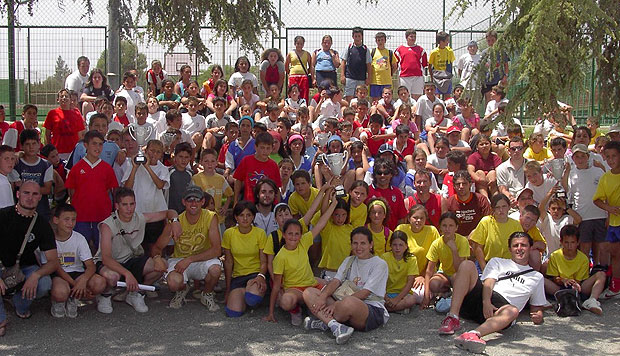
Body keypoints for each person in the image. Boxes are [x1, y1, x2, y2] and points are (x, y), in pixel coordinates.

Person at [439, 232, 545, 354]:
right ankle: (453, 317)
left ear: (530, 248)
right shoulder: (498, 262)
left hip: (503, 308)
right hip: (485, 296)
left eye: (523, 245)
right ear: (510, 249)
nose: (519, 249)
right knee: (467, 264)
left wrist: (539, 314)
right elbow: (489, 282)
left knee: (513, 311)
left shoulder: (537, 277)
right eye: (516, 246)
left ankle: (472, 335)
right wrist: (486, 302)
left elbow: (536, 306)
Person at [94, 187, 181, 314]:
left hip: (130, 259)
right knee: (113, 276)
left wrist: (175, 221)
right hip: (110, 263)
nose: (129, 208)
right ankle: (105, 295)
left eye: (132, 204)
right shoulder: (107, 225)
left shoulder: (140, 218)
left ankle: (136, 293)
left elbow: (170, 212)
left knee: (160, 265)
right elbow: (106, 258)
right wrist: (127, 274)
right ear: (117, 206)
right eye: (125, 205)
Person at [303, 227, 389, 345]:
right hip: (342, 302)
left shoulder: (379, 264)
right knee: (309, 293)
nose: (358, 247)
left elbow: (365, 293)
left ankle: (324, 322)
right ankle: (335, 326)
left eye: (363, 243)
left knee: (348, 303)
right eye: (355, 243)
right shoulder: (349, 260)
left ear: (371, 244)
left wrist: (337, 304)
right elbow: (336, 281)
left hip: (369, 308)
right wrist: (323, 297)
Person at [263, 194, 337, 325]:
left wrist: (334, 204)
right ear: (284, 235)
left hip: (311, 284)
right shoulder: (280, 255)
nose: (293, 237)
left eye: (297, 234)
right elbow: (276, 286)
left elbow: (320, 224)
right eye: (290, 234)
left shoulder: (303, 241)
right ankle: (298, 310)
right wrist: (270, 313)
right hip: (294, 289)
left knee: (334, 293)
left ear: (301, 235)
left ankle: (315, 310)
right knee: (285, 301)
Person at [152, 185, 222, 310]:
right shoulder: (176, 222)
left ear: (202, 201)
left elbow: (217, 250)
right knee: (173, 283)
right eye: (190, 199)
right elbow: (157, 247)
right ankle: (182, 289)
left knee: (216, 269)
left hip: (201, 259)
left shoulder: (210, 217)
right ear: (184, 202)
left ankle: (206, 293)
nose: (193, 203)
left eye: (197, 199)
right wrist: (157, 258)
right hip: (180, 259)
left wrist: (189, 260)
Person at [0, 181, 59, 329]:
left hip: (22, 269)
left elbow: (53, 261)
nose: (30, 197)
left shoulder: (42, 224)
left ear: (40, 197)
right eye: (26, 193)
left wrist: (35, 276)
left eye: (35, 194)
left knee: (45, 282)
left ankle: (19, 304)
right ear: (18, 194)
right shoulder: (3, 216)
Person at [65, 130, 119, 252]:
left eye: (100, 144)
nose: (98, 147)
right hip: (81, 216)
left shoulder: (107, 168)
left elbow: (111, 191)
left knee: (102, 249)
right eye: (94, 144)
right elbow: (71, 192)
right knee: (81, 248)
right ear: (86, 145)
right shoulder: (76, 168)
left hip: (102, 216)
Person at [50, 204, 106, 318]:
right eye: (66, 219)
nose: (70, 223)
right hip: (59, 274)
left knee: (99, 283)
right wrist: (75, 284)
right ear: (56, 220)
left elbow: (90, 265)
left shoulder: (79, 238)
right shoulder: (49, 239)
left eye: (73, 220)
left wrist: (83, 281)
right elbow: (55, 267)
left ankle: (73, 297)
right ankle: (58, 300)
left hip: (77, 272)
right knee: (60, 292)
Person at [544, 224, 606, 314]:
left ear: (578, 242)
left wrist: (574, 284)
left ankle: (591, 301)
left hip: (579, 287)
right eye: (566, 242)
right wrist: (563, 280)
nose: (569, 246)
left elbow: (580, 280)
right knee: (539, 278)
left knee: (601, 274)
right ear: (561, 241)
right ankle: (541, 300)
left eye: (572, 242)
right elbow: (554, 278)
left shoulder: (583, 258)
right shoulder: (555, 256)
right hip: (559, 287)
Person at [222, 200, 268, 317]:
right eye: (241, 215)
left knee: (252, 298)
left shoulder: (260, 233)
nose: (245, 219)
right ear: (236, 217)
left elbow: (264, 261)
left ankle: (252, 295)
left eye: (248, 215)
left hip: (255, 274)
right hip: (238, 277)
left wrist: (261, 276)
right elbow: (228, 262)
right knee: (233, 312)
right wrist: (228, 289)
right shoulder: (229, 234)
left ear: (253, 217)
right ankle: (243, 294)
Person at [563, 144, 606, 265]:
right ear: (573, 158)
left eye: (583, 156)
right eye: (577, 157)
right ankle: (584, 272)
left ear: (588, 156)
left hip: (600, 215)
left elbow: (606, 192)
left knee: (600, 247)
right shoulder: (572, 173)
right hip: (583, 216)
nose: (580, 159)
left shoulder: (598, 171)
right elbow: (567, 190)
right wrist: (566, 172)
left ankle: (599, 270)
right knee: (584, 248)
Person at [422, 212, 470, 308]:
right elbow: (429, 270)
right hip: (444, 273)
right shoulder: (437, 243)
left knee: (458, 279)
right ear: (440, 227)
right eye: (444, 226)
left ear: (456, 227)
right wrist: (426, 296)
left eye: (451, 226)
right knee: (434, 283)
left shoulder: (462, 241)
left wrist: (454, 250)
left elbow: (459, 269)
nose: (447, 229)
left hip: (458, 273)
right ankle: (446, 292)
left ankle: (455, 298)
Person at [593, 141, 620, 298]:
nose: (610, 160)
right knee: (615, 254)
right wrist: (609, 209)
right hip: (615, 223)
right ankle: (615, 286)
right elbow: (597, 200)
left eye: (614, 156)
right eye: (607, 157)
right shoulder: (606, 178)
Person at [470, 194, 523, 270]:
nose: (501, 210)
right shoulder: (485, 222)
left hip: (510, 264)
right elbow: (478, 247)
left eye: (504, 206)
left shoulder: (516, 224)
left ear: (509, 207)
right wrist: (484, 268)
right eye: (497, 207)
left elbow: (521, 247)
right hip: (488, 264)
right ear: (492, 209)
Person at [14, 129, 53, 220]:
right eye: (27, 144)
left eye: (34, 143)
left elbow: (47, 189)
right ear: (21, 146)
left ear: (39, 144)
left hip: (41, 211)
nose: (31, 147)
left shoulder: (46, 165)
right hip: (20, 211)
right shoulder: (16, 164)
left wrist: (25, 189)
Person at [233, 132, 281, 204]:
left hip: (267, 204)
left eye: (268, 148)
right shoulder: (247, 161)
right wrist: (235, 200)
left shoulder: (273, 165)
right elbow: (238, 180)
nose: (265, 151)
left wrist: (277, 205)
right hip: (249, 203)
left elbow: (277, 187)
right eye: (262, 147)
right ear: (256, 147)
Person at [381, 231, 421, 313]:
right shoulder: (384, 257)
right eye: (394, 245)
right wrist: (386, 297)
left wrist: (396, 299)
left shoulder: (411, 259)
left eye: (401, 245)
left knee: (412, 300)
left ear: (406, 246)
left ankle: (388, 309)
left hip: (403, 294)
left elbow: (410, 282)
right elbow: (380, 280)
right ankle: (398, 308)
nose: (397, 248)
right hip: (386, 293)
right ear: (390, 245)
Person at [445, 170, 492, 236]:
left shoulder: (481, 200)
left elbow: (488, 221)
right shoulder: (449, 202)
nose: (461, 187)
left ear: (470, 184)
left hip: (478, 238)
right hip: (457, 240)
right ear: (454, 186)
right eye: (458, 184)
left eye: (464, 183)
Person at [44, 89, 86, 160]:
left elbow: (80, 134)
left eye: (66, 96)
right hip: (58, 152)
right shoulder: (52, 113)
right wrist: (49, 150)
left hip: (73, 151)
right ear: (58, 100)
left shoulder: (77, 114)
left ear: (70, 99)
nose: (64, 98)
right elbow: (47, 134)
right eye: (61, 96)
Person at [395, 29, 428, 100]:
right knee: (404, 97)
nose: (413, 38)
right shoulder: (399, 50)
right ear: (406, 37)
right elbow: (395, 64)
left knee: (417, 98)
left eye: (414, 37)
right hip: (404, 77)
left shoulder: (421, 50)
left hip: (418, 77)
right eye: (411, 36)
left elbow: (424, 64)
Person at [341, 27, 371, 102]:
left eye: (359, 36)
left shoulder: (365, 49)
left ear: (362, 37)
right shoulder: (348, 48)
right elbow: (343, 62)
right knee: (349, 98)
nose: (357, 38)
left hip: (361, 78)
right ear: (352, 36)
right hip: (350, 77)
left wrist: (369, 77)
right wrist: (342, 75)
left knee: (361, 98)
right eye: (355, 36)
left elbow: (368, 64)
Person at [496, 137, 528, 207]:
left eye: (519, 148)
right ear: (509, 151)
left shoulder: (531, 165)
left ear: (524, 149)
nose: (516, 151)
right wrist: (511, 198)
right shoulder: (501, 168)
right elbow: (502, 189)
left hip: (529, 201)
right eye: (513, 149)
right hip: (511, 203)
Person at [481, 30, 510, 103]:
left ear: (496, 40)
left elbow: (506, 65)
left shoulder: (501, 52)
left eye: (492, 40)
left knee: (499, 99)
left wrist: (505, 77)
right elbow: (481, 66)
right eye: (488, 41)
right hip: (487, 81)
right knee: (489, 100)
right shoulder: (484, 53)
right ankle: (488, 114)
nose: (491, 43)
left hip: (499, 79)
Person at [369, 32, 398, 102]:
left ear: (385, 40)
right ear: (376, 41)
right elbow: (368, 65)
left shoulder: (389, 52)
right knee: (375, 101)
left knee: (387, 100)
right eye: (378, 40)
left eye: (382, 40)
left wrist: (390, 74)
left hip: (386, 81)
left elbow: (395, 65)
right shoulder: (372, 52)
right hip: (375, 81)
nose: (380, 42)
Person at [428, 31, 455, 97]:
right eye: (447, 40)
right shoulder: (434, 52)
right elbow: (429, 65)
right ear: (441, 41)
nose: (448, 42)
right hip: (437, 76)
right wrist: (432, 77)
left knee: (447, 95)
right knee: (437, 96)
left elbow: (451, 63)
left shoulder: (449, 51)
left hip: (447, 76)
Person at [285, 36, 312, 102]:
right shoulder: (290, 53)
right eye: (298, 43)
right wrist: (290, 73)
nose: (299, 45)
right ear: (295, 44)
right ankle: (292, 108)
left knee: (304, 94)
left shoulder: (307, 54)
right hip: (293, 77)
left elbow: (311, 66)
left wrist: (306, 72)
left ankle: (303, 109)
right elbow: (286, 65)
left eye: (301, 44)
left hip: (304, 77)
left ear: (303, 44)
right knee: (293, 93)